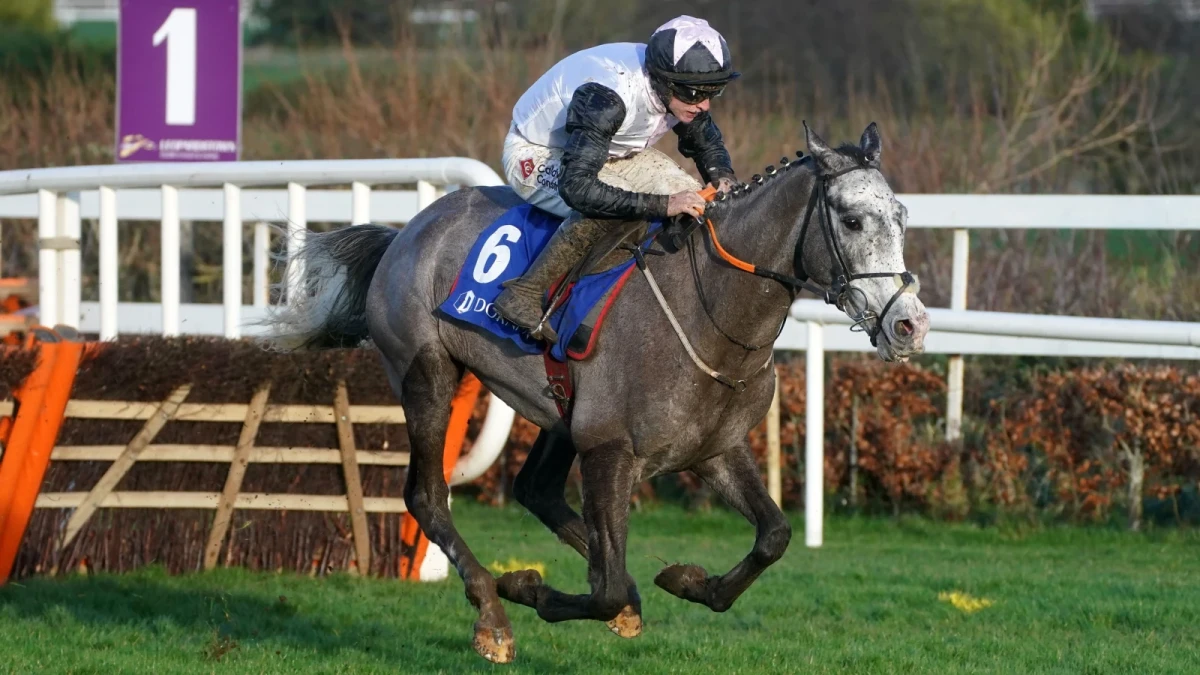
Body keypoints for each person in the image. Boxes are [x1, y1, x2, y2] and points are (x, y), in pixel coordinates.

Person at [493, 15, 740, 344]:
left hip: (610, 149)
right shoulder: (608, 94)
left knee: (694, 197)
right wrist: (662, 204)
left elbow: (705, 141)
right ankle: (524, 293)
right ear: (665, 81)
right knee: (611, 207)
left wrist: (723, 179)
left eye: (714, 92)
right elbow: (578, 188)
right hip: (537, 152)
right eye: (696, 93)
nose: (705, 104)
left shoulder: (678, 87)